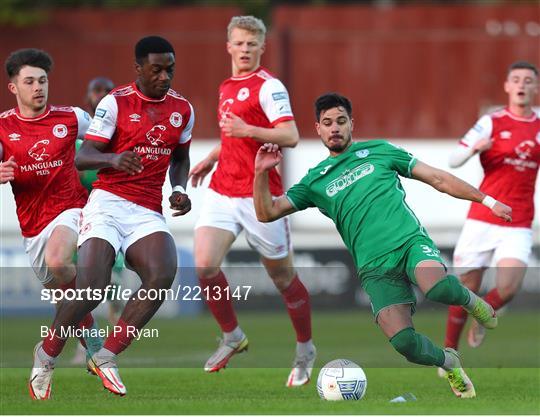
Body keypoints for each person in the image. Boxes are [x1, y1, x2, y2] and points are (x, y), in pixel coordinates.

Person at [253, 93, 511, 399]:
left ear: (352, 124)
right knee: (405, 344)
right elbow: (267, 212)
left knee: (437, 287)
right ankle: (449, 362)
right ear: (318, 129)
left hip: (408, 243)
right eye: (327, 123)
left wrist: (487, 200)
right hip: (374, 268)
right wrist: (261, 173)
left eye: (340, 121)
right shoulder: (315, 181)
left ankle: (474, 303)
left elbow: (437, 179)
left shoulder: (380, 150)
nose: (334, 128)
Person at [28, 35, 194, 399]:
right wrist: (113, 159)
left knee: (163, 274)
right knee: (91, 288)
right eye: (157, 69)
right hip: (107, 202)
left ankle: (105, 356)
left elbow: (180, 158)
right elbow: (83, 156)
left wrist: (180, 190)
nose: (165, 77)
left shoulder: (182, 109)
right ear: (138, 68)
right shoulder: (115, 103)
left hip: (147, 209)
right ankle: (47, 353)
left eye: (170, 69)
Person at [189, 15, 315, 387]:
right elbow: (234, 137)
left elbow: (289, 134)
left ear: (262, 47)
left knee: (282, 277)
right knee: (204, 264)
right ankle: (232, 336)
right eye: (239, 43)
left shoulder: (269, 86)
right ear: (228, 45)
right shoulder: (226, 85)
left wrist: (248, 130)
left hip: (261, 195)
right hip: (222, 190)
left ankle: (305, 347)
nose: (244, 50)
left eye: (251, 44)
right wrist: (212, 157)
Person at [0, 48, 103, 399]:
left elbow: (107, 138)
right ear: (13, 87)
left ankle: (68, 349)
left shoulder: (72, 117)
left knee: (61, 261)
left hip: (72, 209)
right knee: (65, 296)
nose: (38, 88)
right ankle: (85, 337)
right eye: (29, 81)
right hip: (32, 228)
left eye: (42, 80)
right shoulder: (3, 127)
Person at [443, 61, 539, 353]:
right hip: (483, 217)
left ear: (535, 87)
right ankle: (449, 351)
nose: (522, 85)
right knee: (465, 289)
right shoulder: (491, 121)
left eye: (528, 80)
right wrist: (475, 148)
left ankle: (482, 317)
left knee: (508, 288)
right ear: (507, 86)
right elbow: (453, 160)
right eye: (516, 80)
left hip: (518, 220)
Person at [71, 76, 123, 366]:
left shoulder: (119, 132)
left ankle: (109, 346)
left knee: (111, 287)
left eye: (106, 91)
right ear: (89, 96)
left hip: (110, 215)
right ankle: (86, 342)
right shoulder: (79, 138)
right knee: (78, 283)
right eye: (96, 91)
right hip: (78, 216)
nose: (101, 95)